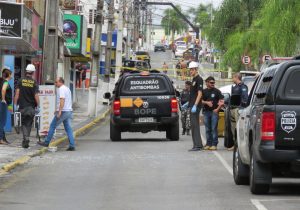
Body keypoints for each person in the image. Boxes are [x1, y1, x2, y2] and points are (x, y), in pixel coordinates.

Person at [38, 77, 75, 151]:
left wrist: (59, 111)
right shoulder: (67, 88)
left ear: (60, 82)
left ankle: (46, 142)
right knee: (68, 128)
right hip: (68, 111)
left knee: (52, 125)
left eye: (56, 82)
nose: (55, 84)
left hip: (63, 111)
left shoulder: (61, 89)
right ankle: (72, 145)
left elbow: (62, 100)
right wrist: (57, 109)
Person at [14, 64, 40, 148]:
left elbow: (17, 93)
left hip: (22, 106)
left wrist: (15, 104)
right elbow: (36, 95)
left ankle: (25, 138)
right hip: (31, 107)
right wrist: (38, 105)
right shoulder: (34, 82)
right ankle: (26, 137)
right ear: (32, 73)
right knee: (29, 123)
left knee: (24, 123)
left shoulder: (21, 81)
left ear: (26, 71)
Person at [202, 76, 224, 151]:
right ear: (207, 83)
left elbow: (222, 101)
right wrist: (207, 103)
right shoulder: (203, 91)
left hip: (214, 112)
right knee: (207, 129)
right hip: (206, 112)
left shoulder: (217, 91)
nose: (213, 84)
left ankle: (214, 144)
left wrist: (217, 109)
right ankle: (208, 144)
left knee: (214, 128)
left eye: (214, 82)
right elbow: (200, 101)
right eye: (211, 82)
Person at [186, 61, 204, 151]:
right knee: (193, 125)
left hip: (195, 105)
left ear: (196, 69)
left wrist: (195, 105)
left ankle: (198, 145)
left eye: (192, 70)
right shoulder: (193, 79)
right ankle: (197, 144)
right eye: (190, 70)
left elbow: (200, 93)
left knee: (195, 125)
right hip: (192, 104)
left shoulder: (199, 79)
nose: (190, 71)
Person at [228, 73, 248, 151]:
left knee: (238, 128)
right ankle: (235, 145)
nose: (232, 79)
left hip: (238, 110)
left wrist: (241, 108)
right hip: (233, 109)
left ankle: (240, 146)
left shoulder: (242, 86)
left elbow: (245, 98)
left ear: (236, 77)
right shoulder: (235, 87)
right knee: (233, 129)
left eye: (233, 77)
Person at [0, 67, 13, 145]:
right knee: (2, 122)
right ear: (9, 75)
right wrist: (3, 99)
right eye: (11, 74)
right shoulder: (5, 82)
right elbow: (3, 90)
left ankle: (2, 138)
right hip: (2, 104)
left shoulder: (2, 81)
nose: (12, 76)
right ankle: (1, 139)